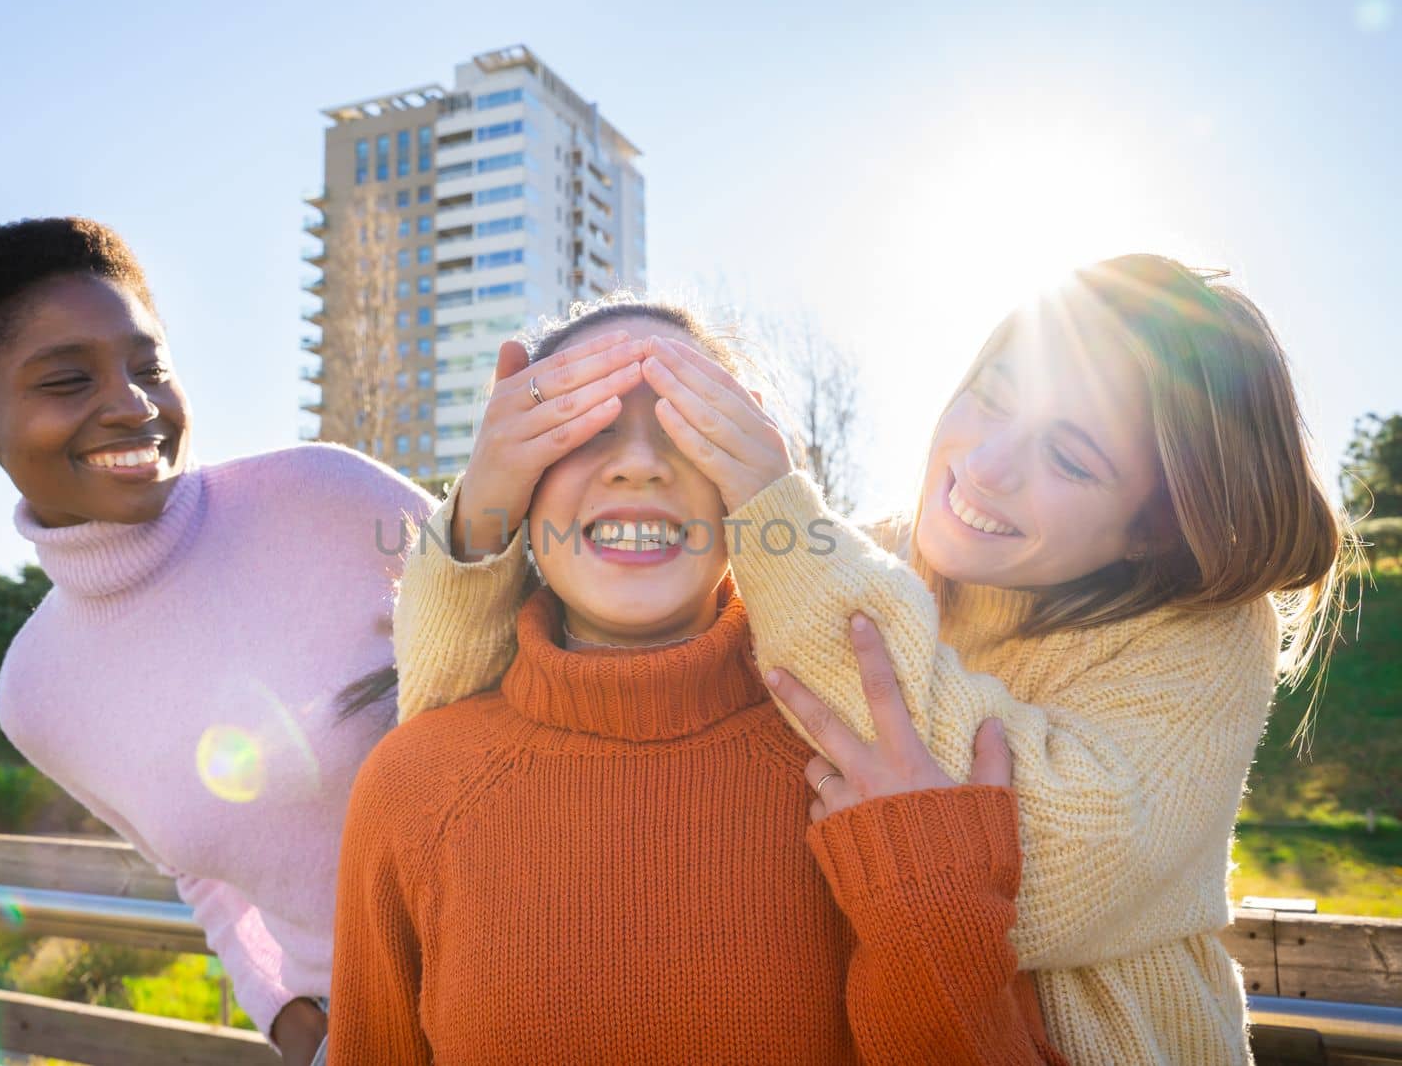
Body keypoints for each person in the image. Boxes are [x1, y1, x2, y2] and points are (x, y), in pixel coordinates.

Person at [393, 262, 1352, 1064]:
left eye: (1071, 459)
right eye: (993, 396)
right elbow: (456, 726)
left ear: (1155, 525)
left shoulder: (1203, 635)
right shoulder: (857, 564)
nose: (985, 466)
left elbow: (1038, 878)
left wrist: (775, 511)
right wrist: (485, 512)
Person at [327, 301, 1068, 1064]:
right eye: (585, 426)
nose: (641, 461)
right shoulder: (410, 786)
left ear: (748, 486)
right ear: (516, 486)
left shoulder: (875, 771)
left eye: (692, 424)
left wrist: (931, 907)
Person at [0, 217, 482, 1064]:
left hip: (549, 977)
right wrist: (289, 1018)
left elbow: (546, 654)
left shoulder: (323, 498)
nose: (132, 404)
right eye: (69, 380)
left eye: (150, 367)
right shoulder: (34, 695)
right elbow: (203, 870)